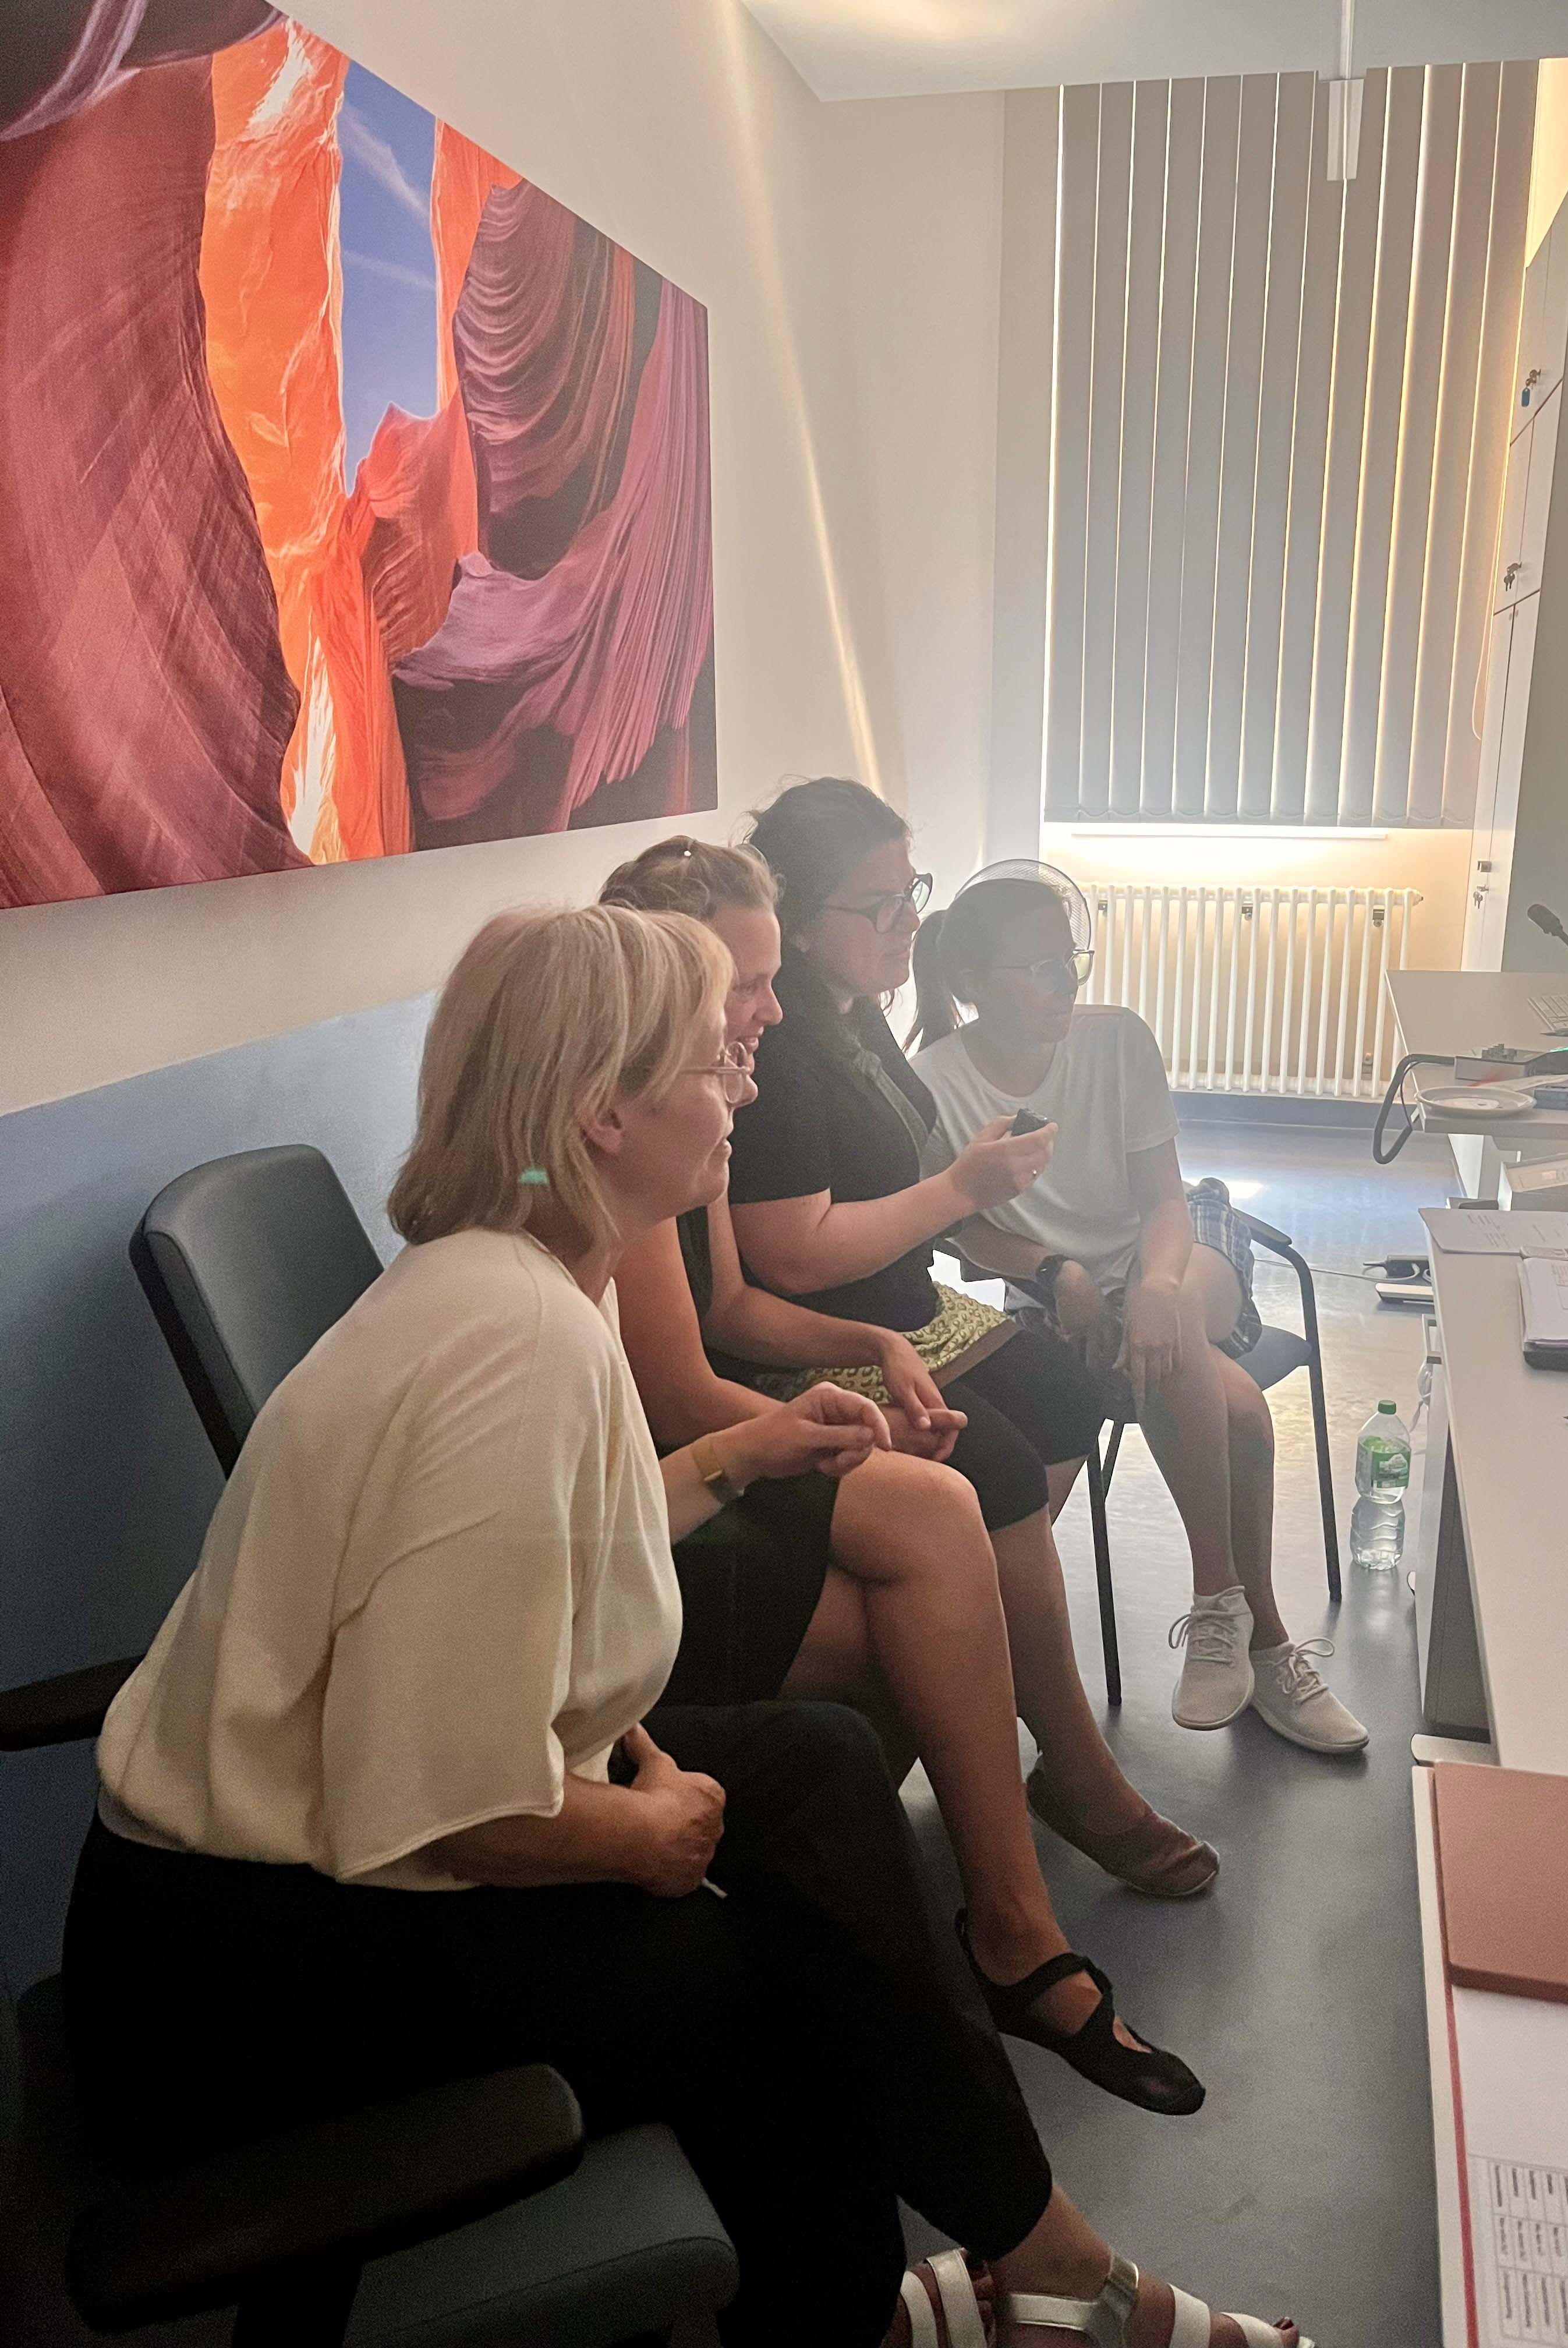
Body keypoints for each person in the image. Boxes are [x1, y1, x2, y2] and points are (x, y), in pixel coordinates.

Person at [63, 904, 1308, 2348]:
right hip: (233, 1977)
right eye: (717, 1065)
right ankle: (934, 2302)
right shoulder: (516, 1339)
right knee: (756, 1971)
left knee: (817, 1764)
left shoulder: (515, 1276)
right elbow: (449, 1804)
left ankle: (1028, 2260)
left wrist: (734, 1455)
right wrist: (641, 1835)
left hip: (292, 1862)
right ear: (603, 1113)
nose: (745, 1091)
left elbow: (540, 1549)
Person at [601, 838, 1201, 2117]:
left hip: (695, 1442)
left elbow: (733, 1307)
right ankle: (1009, 1917)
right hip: (653, 1482)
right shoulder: (631, 1136)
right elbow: (677, 1394)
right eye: (744, 987)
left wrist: (869, 1351)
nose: (770, 1014)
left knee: (956, 1499)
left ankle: (983, 1908)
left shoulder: (699, 1109)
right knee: (941, 1524)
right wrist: (826, 1430)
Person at [723, 780, 1223, 1908]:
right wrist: (962, 1188)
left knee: (1062, 1392)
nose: (909, 923)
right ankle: (1068, 1763)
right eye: (881, 906)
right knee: (991, 1467)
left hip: (901, 1303)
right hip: (826, 1331)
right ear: (801, 917)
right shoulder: (785, 1047)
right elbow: (792, 1259)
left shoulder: (855, 1012)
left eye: (914, 894)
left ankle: (958, 1654)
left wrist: (975, 1197)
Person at [909, 868, 1368, 1757]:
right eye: (1040, 969)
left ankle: (1214, 1600)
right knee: (1238, 1409)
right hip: (1065, 1297)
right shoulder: (935, 1086)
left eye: (1070, 962)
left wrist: (1155, 1286)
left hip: (1186, 1250)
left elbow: (1167, 1201)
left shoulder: (1117, 1038)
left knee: (1171, 1321)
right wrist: (1056, 1271)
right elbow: (961, 1232)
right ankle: (1262, 1640)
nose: (1066, 984)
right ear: (971, 981)